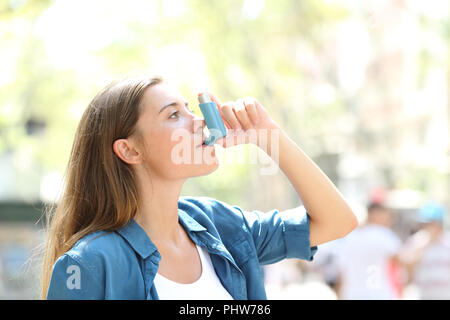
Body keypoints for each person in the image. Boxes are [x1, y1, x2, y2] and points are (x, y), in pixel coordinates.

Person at [41, 75, 358, 299]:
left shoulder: (222, 227)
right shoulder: (90, 265)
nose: (198, 122)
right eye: (174, 114)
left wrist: (268, 135)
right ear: (130, 150)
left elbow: (337, 222)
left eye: (190, 108)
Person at [336, 203, 402, 300]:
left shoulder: (350, 238)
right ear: (376, 214)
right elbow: (403, 261)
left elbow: (341, 273)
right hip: (379, 294)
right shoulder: (384, 235)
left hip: (352, 294)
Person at [399, 203, 450, 300]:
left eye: (431, 223)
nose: (428, 227)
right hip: (424, 294)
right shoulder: (416, 241)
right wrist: (425, 245)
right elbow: (407, 264)